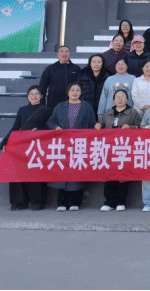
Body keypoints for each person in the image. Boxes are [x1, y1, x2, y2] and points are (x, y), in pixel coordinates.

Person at [0, 86, 52, 211]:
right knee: (18, 172)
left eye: (36, 93)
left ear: (41, 96)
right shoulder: (22, 110)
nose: (34, 96)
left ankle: (37, 202)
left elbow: (50, 127)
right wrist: (5, 141)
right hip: (21, 145)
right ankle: (19, 202)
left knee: (35, 173)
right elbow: (15, 127)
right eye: (31, 94)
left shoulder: (46, 110)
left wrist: (39, 131)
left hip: (38, 146)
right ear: (28, 96)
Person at [48, 83, 96, 212]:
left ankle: (75, 202)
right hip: (63, 144)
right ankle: (61, 202)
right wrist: (56, 127)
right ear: (67, 92)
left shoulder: (86, 107)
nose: (75, 92)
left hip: (80, 145)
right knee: (62, 172)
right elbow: (51, 121)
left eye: (77, 90)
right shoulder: (60, 106)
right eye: (72, 90)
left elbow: (92, 124)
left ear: (81, 92)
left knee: (77, 173)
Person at [96, 89, 141, 212]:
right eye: (117, 97)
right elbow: (102, 125)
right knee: (109, 174)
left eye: (122, 97)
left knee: (123, 175)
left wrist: (130, 127)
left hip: (125, 148)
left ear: (127, 99)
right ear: (113, 100)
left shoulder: (133, 112)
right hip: (109, 148)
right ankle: (109, 202)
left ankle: (121, 202)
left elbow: (140, 127)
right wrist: (98, 125)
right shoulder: (108, 113)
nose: (120, 99)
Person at [39, 45, 80, 110]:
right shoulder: (50, 69)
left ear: (70, 54)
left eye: (66, 51)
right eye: (61, 51)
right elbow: (42, 88)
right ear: (58, 54)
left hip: (72, 104)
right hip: (53, 105)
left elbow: (81, 86)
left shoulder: (76, 69)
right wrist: (42, 105)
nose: (64, 53)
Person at [78, 54, 109, 120]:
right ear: (90, 63)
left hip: (102, 110)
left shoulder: (108, 76)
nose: (96, 64)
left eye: (99, 62)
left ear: (102, 63)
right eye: (94, 62)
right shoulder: (82, 74)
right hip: (85, 108)